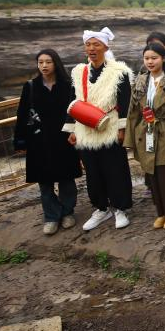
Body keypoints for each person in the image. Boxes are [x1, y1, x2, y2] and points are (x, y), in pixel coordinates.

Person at [64, 27, 135, 231]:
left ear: (105, 47)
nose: (91, 48)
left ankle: (120, 208)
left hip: (110, 127)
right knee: (93, 172)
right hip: (85, 130)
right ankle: (101, 208)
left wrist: (122, 129)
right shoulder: (78, 72)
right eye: (88, 45)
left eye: (96, 44)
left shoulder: (119, 72)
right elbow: (73, 101)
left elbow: (125, 102)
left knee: (116, 169)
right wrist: (71, 129)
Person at [14, 49, 82, 235]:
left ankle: (67, 212)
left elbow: (76, 110)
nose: (44, 66)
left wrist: (76, 132)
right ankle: (51, 216)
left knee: (66, 178)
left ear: (56, 63)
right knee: (44, 181)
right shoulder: (31, 86)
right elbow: (22, 114)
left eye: (48, 62)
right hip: (39, 140)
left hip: (63, 138)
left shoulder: (68, 85)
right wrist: (20, 141)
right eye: (40, 62)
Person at [125, 42, 165, 230]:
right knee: (152, 175)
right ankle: (161, 212)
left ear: (164, 58)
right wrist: (130, 139)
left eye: (154, 58)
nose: (150, 62)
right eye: (147, 58)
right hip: (146, 132)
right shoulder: (140, 82)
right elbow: (132, 113)